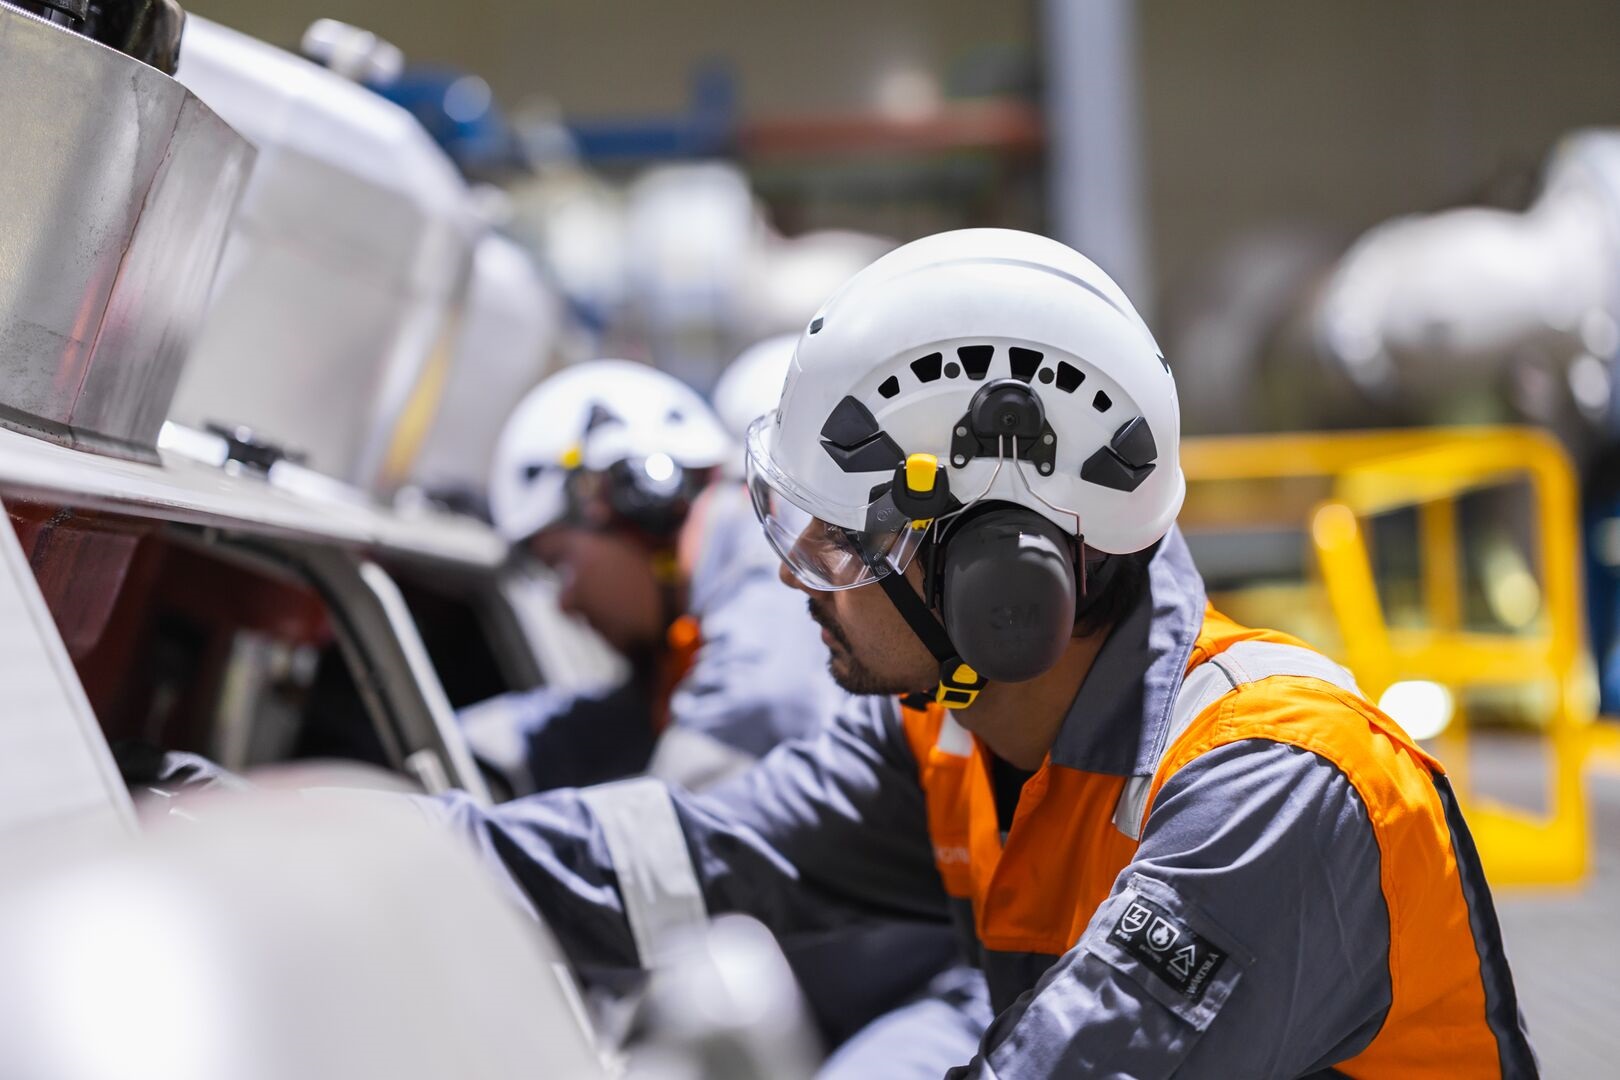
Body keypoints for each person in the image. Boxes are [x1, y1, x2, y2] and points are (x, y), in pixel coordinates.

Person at [423, 229, 1535, 1075]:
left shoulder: (1278, 786)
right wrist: (397, 855)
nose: (792, 578)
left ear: (997, 578)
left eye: (838, 544)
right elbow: (688, 855)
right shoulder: (945, 734)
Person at [469, 357, 982, 1063]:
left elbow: (698, 806)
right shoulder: (693, 618)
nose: (562, 599)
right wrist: (486, 746)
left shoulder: (759, 599)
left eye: (559, 561)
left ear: (633, 500)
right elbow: (608, 721)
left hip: (920, 996)